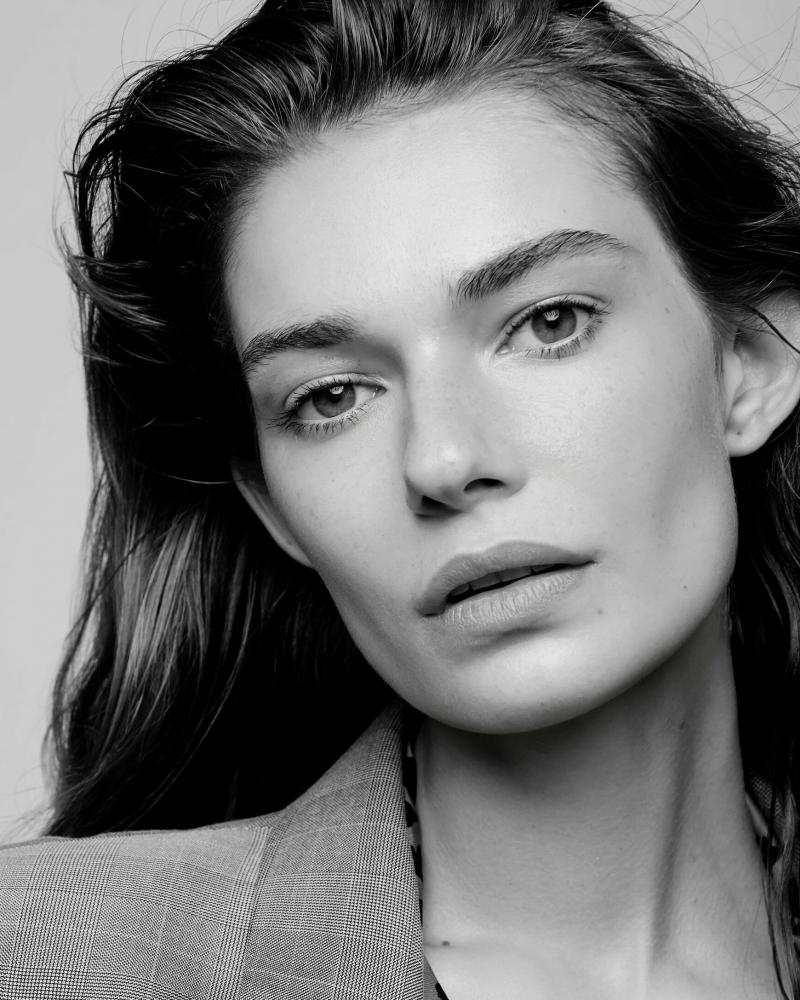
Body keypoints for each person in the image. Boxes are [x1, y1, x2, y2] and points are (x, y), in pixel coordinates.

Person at [2, 0, 800, 996]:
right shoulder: (43, 958)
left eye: (548, 321)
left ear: (749, 361)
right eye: (331, 397)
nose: (444, 459)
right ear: (272, 504)